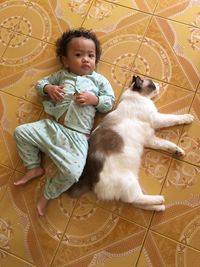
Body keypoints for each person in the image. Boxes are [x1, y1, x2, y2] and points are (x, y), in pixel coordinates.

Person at [14, 28, 115, 216]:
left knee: (72, 173)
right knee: (20, 132)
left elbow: (109, 101)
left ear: (96, 61)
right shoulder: (61, 75)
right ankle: (33, 167)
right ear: (65, 60)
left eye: (90, 55)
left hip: (78, 137)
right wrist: (49, 88)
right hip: (54, 128)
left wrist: (95, 100)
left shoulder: (98, 81)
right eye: (78, 54)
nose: (85, 59)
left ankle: (47, 194)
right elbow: (39, 84)